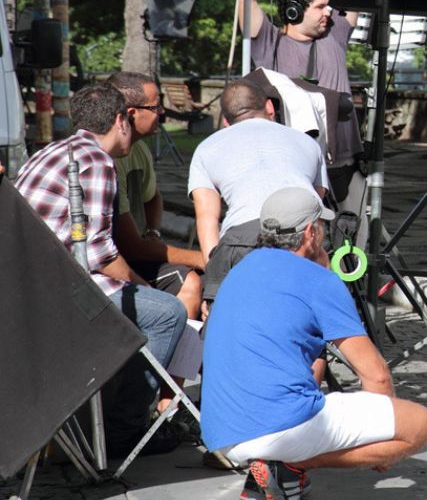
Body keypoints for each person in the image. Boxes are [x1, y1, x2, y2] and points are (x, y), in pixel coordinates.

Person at [202, 187, 427, 500]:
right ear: (311, 232)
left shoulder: (241, 269)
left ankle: (279, 471)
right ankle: (289, 465)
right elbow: (376, 375)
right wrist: (381, 440)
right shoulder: (318, 280)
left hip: (223, 432)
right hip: (276, 429)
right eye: (322, 226)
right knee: (418, 423)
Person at [15, 84, 187, 457]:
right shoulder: (95, 161)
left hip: (27, 282)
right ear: (120, 120)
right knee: (168, 313)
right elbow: (99, 255)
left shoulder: (52, 151)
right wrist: (144, 288)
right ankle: (125, 429)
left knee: (155, 303)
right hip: (59, 290)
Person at [239, 0, 361, 204]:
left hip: (343, 163)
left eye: (328, 6)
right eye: (320, 7)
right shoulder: (268, 42)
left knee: (356, 226)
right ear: (295, 10)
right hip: (292, 161)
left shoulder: (335, 33)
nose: (328, 12)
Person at [189, 80, 329, 302]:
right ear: (270, 107)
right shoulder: (307, 142)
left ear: (226, 121)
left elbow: (207, 217)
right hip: (302, 235)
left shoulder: (206, 148)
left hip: (240, 239)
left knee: (231, 313)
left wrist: (215, 276)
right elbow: (315, 202)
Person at [107, 72, 205, 319]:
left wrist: (153, 231)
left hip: (134, 256)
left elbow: (153, 197)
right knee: (190, 282)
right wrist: (203, 258)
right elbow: (132, 247)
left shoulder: (139, 149)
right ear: (131, 114)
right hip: (113, 265)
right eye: (155, 106)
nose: (161, 112)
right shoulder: (107, 159)